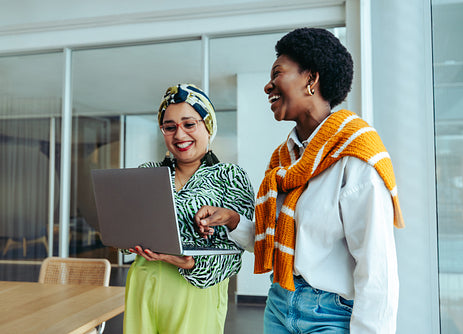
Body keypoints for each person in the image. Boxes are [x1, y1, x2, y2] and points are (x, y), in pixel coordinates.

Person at [195, 28, 405, 333]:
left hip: (331, 316)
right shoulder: (283, 161)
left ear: (311, 79)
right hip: (280, 305)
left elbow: (377, 270)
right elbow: (281, 242)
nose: (268, 86)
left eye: (278, 73)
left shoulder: (355, 157)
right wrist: (232, 221)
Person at [123, 83, 255, 334]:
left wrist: (191, 263)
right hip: (143, 280)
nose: (179, 135)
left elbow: (240, 249)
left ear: (208, 126)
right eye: (170, 127)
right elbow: (126, 229)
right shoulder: (148, 172)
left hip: (195, 290)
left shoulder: (229, 176)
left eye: (189, 124)